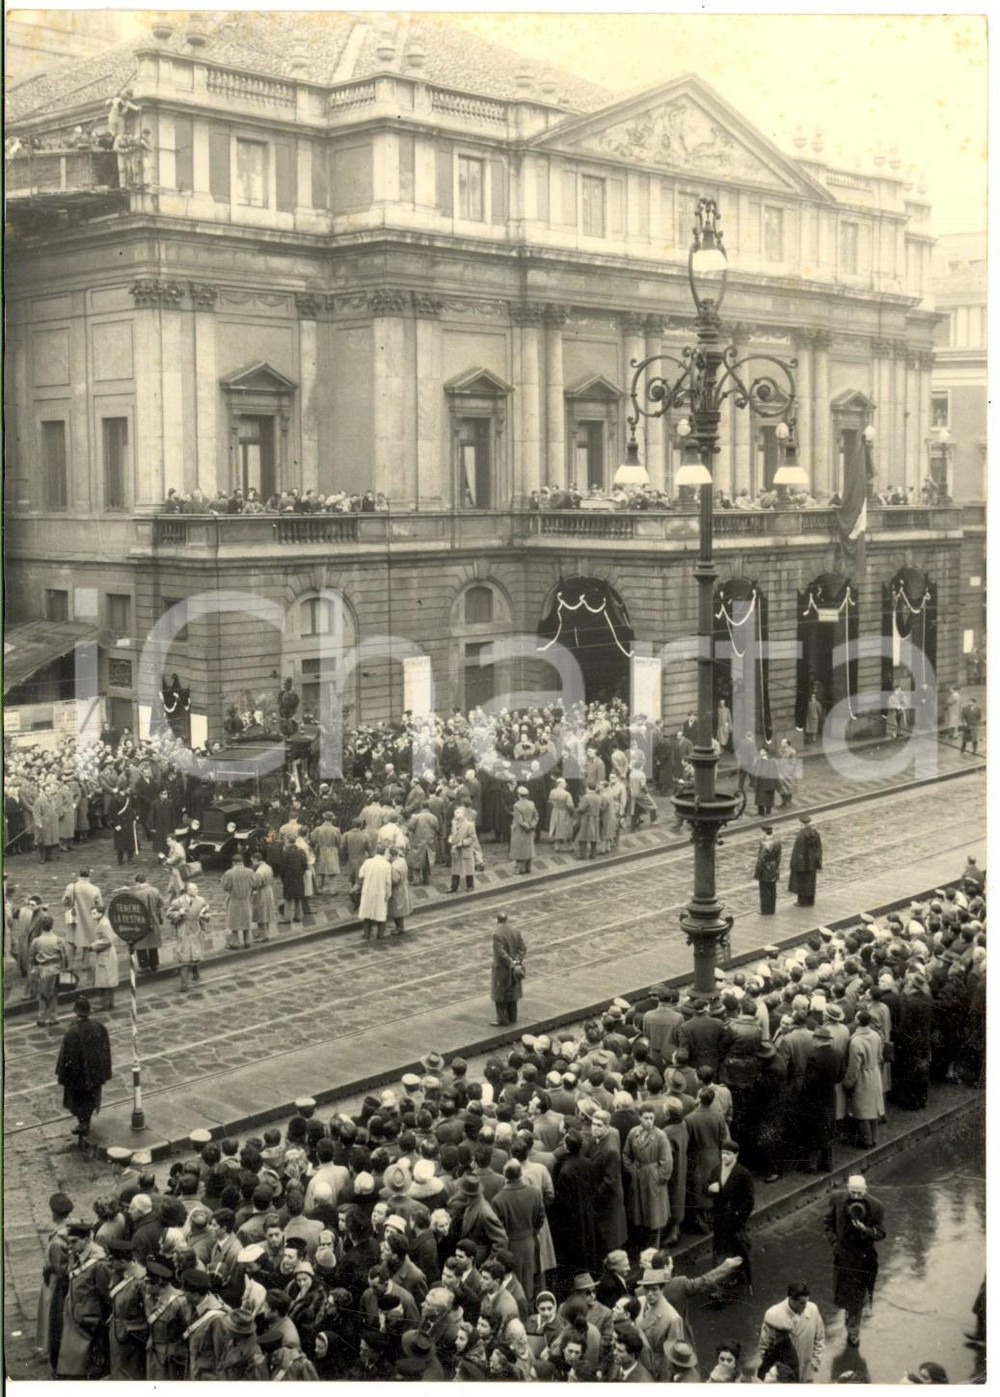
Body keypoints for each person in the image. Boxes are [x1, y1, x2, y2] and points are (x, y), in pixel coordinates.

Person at [824, 1175, 886, 1346]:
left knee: (858, 1295)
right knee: (844, 1291)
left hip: (863, 1257)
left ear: (865, 1190)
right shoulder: (837, 1199)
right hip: (843, 1255)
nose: (856, 1196)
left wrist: (865, 1230)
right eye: (853, 1192)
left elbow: (881, 1233)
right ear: (848, 1189)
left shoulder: (876, 1206)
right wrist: (835, 1243)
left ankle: (853, 1331)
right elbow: (828, 1223)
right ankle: (850, 1314)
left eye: (860, 1193)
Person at [55, 1220, 111, 1377]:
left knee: (87, 1367)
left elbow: (106, 1295)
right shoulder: (77, 1254)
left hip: (88, 1322)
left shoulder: (99, 1263)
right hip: (76, 1315)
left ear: (86, 1240)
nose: (70, 1246)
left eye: (73, 1242)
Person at [55, 995, 113, 1141]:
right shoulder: (99, 1028)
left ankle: (83, 1125)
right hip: (95, 1074)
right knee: (91, 1099)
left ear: (76, 1012)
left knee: (79, 1101)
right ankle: (85, 1124)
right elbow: (105, 1052)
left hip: (78, 1076)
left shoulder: (72, 1032)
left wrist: (63, 1074)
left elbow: (65, 1056)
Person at [707, 1140, 754, 1295]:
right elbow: (706, 1187)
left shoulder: (743, 1174)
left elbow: (749, 1201)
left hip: (734, 1221)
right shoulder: (716, 1169)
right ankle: (718, 1285)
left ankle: (738, 1275)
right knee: (719, 1250)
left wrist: (738, 1217)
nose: (724, 1157)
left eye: (728, 1154)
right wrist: (709, 1189)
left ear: (736, 1155)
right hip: (719, 1218)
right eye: (723, 1153)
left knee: (736, 1249)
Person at [623, 1105, 673, 1249]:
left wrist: (659, 1178)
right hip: (638, 1178)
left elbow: (667, 1161)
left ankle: (654, 1249)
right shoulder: (634, 1133)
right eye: (646, 1118)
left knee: (655, 1215)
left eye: (652, 1118)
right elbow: (626, 1154)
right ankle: (643, 1248)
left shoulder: (660, 1136)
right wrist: (632, 1170)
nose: (649, 1121)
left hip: (653, 1179)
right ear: (640, 1118)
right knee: (640, 1214)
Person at [36, 1191, 74, 1373]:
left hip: (55, 1284)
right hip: (61, 1282)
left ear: (53, 1214)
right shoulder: (71, 1229)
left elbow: (59, 1269)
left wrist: (48, 1269)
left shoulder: (57, 1241)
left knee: (52, 1318)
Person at [758, 1281, 825, 1382]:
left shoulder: (813, 1310)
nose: (806, 1306)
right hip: (783, 1377)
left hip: (806, 1372)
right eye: (802, 1303)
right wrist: (774, 1372)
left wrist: (815, 1363)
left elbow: (820, 1338)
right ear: (791, 1300)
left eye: (807, 1301)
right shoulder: (773, 1315)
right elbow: (764, 1347)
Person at [29, 917, 70, 1027]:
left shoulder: (36, 941)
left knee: (42, 995)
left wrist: (33, 968)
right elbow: (64, 957)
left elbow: (32, 957)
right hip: (55, 970)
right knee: (53, 995)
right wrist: (65, 968)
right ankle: (53, 1017)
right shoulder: (58, 940)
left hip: (42, 970)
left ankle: (42, 1018)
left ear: (41, 927)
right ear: (52, 926)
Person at [490, 911, 526, 1026]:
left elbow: (500, 953)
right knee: (513, 993)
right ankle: (512, 1017)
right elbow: (522, 948)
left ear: (498, 921)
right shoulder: (516, 932)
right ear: (506, 920)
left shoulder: (497, 935)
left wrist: (510, 963)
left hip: (502, 970)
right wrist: (517, 961)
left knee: (499, 995)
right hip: (515, 970)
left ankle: (502, 1019)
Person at [221, 854, 256, 950]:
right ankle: (247, 941)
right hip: (246, 899)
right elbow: (254, 884)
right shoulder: (250, 872)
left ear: (233, 862)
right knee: (246, 920)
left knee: (234, 922)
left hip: (234, 899)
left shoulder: (229, 873)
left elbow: (226, 887)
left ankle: (235, 943)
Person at [788, 814, 823, 907]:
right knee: (810, 882)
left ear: (801, 824)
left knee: (801, 882)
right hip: (811, 863)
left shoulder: (801, 835)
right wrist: (818, 861)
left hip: (801, 863)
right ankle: (810, 900)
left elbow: (797, 850)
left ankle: (802, 901)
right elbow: (818, 848)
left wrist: (793, 863)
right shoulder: (815, 833)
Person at [510, 786, 539, 874]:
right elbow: (536, 816)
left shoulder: (516, 805)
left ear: (519, 795)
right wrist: (532, 825)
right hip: (530, 830)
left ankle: (521, 869)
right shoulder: (532, 804)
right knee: (529, 848)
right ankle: (528, 867)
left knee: (520, 849)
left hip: (520, 830)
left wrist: (526, 826)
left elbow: (520, 820)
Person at [754, 825, 782, 915]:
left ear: (764, 832)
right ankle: (772, 909)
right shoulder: (777, 842)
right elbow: (779, 856)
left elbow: (761, 859)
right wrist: (776, 866)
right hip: (773, 867)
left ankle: (765, 910)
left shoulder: (763, 843)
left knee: (764, 890)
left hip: (765, 869)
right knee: (772, 889)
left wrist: (757, 872)